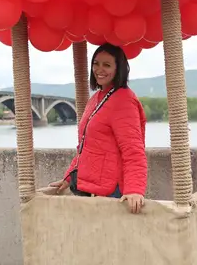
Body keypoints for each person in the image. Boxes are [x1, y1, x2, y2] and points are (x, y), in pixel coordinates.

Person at [49, 43, 148, 214]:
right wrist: (69, 177)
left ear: (120, 69)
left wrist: (134, 189)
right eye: (96, 63)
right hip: (89, 188)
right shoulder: (97, 98)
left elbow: (133, 150)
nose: (99, 69)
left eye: (107, 65)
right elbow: (86, 146)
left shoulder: (124, 100)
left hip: (110, 192)